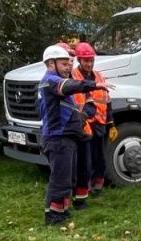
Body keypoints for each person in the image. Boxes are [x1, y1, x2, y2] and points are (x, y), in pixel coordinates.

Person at [37, 44, 109, 225]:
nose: (68, 67)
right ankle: (53, 217)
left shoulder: (55, 81)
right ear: (51, 64)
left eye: (69, 63)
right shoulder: (52, 81)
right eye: (63, 64)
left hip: (66, 137)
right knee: (60, 180)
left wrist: (83, 115)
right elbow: (68, 86)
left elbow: (70, 108)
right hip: (58, 138)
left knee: (67, 178)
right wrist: (93, 84)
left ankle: (61, 211)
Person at [72, 42, 112, 196]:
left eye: (91, 60)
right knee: (85, 160)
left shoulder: (99, 76)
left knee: (100, 158)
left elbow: (107, 100)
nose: (89, 64)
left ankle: (98, 185)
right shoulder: (73, 76)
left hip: (99, 123)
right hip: (83, 124)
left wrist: (111, 122)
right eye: (86, 61)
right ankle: (85, 187)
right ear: (79, 60)